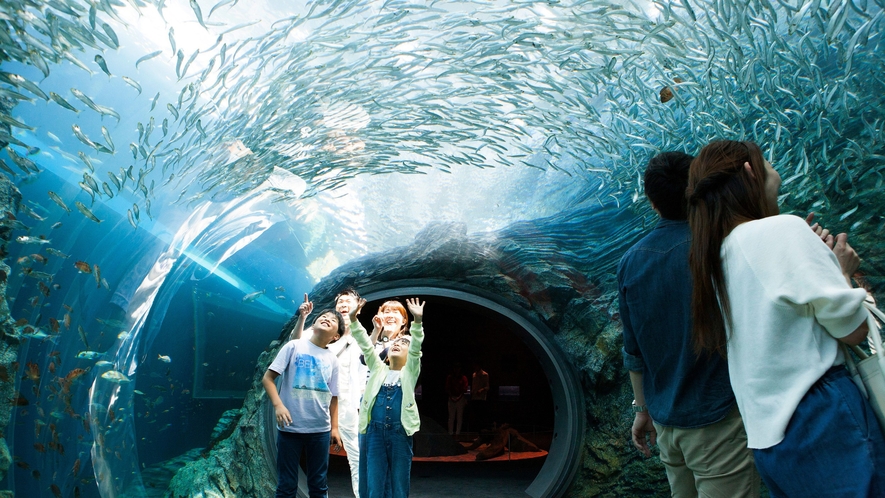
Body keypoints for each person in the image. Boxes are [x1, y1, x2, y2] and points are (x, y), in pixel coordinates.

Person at [686, 139, 885, 496]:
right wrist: (841, 270)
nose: (775, 171)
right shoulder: (781, 229)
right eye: (768, 162)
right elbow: (853, 330)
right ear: (750, 170)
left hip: (769, 441)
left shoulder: (716, 258)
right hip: (823, 418)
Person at [619, 151, 759, 497]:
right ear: (697, 190)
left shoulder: (630, 262)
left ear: (651, 203)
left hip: (667, 424)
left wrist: (642, 411)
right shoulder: (719, 248)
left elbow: (633, 352)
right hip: (718, 420)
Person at [289, 290, 367, 498]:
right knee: (316, 458)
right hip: (318, 403)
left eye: (348, 301)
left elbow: (364, 373)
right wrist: (303, 317)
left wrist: (361, 403)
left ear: (358, 305)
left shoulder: (362, 336)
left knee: (357, 456)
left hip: (348, 405)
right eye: (340, 301)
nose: (343, 304)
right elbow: (294, 344)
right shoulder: (323, 329)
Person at [262, 308, 344, 498]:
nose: (326, 318)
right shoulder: (294, 346)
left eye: (333, 319)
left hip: (320, 430)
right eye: (323, 316)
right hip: (290, 429)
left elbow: (334, 396)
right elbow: (268, 378)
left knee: (318, 484)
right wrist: (278, 405)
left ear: (336, 336)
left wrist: (335, 427)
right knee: (286, 484)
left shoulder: (332, 359)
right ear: (313, 325)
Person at [348, 297, 425, 498]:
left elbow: (415, 347)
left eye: (403, 343)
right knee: (373, 481)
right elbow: (365, 347)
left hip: (399, 432)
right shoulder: (378, 367)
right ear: (387, 353)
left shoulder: (409, 372)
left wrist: (417, 321)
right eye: (395, 344)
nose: (398, 344)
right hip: (373, 430)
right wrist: (352, 318)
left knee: (399, 484)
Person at [445, 363, 468, 436]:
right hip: (452, 398)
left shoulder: (463, 378)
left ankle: (457, 433)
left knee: (459, 417)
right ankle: (450, 433)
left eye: (458, 368)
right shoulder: (450, 377)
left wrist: (459, 397)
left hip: (460, 399)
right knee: (451, 417)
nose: (457, 370)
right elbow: (447, 388)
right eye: (455, 368)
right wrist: (451, 397)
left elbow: (465, 389)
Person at [470, 362, 490, 432]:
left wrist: (481, 390)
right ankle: (475, 432)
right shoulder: (474, 374)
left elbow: (487, 387)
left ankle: (481, 433)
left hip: (481, 399)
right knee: (475, 416)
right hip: (474, 398)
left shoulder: (485, 374)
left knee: (481, 416)